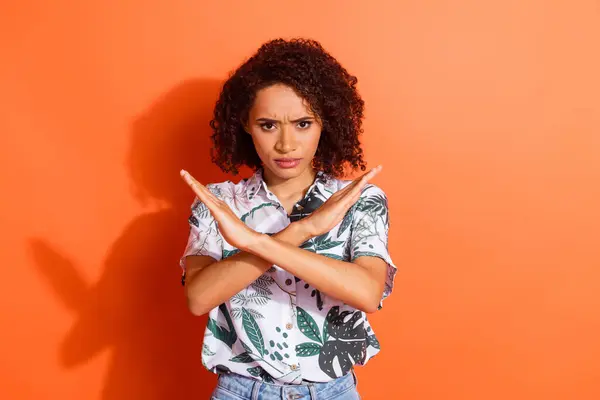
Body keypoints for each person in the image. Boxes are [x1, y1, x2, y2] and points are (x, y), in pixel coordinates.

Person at [179, 38, 396, 400]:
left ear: (325, 122)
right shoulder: (219, 203)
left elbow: (367, 293)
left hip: (332, 392)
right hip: (241, 391)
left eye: (302, 123)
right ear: (246, 125)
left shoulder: (359, 200)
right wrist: (304, 231)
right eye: (268, 125)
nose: (286, 144)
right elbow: (199, 298)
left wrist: (255, 243)